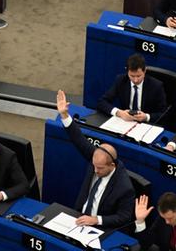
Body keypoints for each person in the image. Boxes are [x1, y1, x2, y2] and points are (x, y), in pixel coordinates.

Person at [56, 90, 135, 230]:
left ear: (111, 165)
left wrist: (96, 220)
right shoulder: (97, 158)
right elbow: (78, 139)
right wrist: (64, 115)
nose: (95, 170)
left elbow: (124, 217)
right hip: (78, 218)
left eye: (100, 168)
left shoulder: (124, 187)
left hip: (98, 228)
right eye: (94, 166)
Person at [96, 54, 167, 123]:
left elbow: (163, 114)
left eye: (138, 76)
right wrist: (119, 113)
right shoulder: (121, 80)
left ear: (145, 71)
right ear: (127, 72)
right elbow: (102, 102)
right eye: (132, 76)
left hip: (145, 124)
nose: (135, 80)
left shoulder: (156, 86)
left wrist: (146, 117)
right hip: (126, 122)